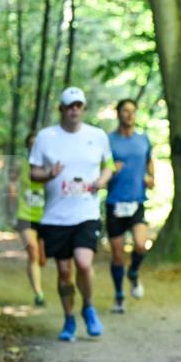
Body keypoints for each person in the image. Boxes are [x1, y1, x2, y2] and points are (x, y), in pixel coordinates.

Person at [29, 87, 115, 341]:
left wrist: (102, 180)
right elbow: (33, 174)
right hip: (55, 216)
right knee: (64, 272)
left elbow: (109, 165)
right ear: (62, 109)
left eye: (78, 105)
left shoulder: (97, 136)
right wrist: (49, 174)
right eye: (69, 106)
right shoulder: (45, 137)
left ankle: (88, 306)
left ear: (83, 108)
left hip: (86, 212)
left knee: (84, 263)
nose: (74, 110)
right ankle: (68, 320)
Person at [105, 98, 153, 313]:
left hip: (137, 201)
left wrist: (151, 178)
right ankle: (118, 295)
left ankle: (133, 272)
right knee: (116, 255)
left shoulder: (143, 140)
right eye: (125, 111)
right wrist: (109, 170)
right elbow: (98, 170)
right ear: (118, 114)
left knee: (141, 245)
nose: (129, 115)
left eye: (133, 111)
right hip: (115, 202)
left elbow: (150, 163)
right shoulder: (108, 141)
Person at [9, 132, 47, 306]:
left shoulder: (50, 166)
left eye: (37, 144)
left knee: (41, 259)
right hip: (24, 215)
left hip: (46, 217)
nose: (34, 147)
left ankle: (37, 273)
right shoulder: (20, 165)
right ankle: (38, 293)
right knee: (32, 250)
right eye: (31, 144)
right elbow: (11, 182)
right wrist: (12, 192)